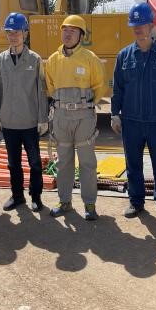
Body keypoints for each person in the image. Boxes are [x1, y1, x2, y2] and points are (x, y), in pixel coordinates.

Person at [111, 2, 156, 222]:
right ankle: (136, 202)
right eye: (134, 25)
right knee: (133, 165)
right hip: (131, 121)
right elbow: (118, 88)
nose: (138, 29)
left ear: (151, 25)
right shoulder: (124, 56)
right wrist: (114, 113)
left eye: (141, 24)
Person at [45, 15, 105, 221]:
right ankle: (65, 201)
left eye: (73, 31)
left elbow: (99, 86)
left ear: (81, 35)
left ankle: (89, 203)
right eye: (65, 30)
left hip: (84, 117)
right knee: (64, 162)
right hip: (61, 117)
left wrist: (85, 106)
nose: (68, 34)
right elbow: (50, 87)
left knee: (87, 162)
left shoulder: (90, 58)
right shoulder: (53, 60)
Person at [0, 12, 49, 212]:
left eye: (17, 32)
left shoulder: (35, 59)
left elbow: (41, 90)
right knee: (13, 163)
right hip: (9, 121)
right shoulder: (0, 60)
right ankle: (17, 196)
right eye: (9, 32)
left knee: (34, 163)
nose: (13, 36)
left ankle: (36, 196)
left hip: (30, 121)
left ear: (25, 33)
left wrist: (43, 118)